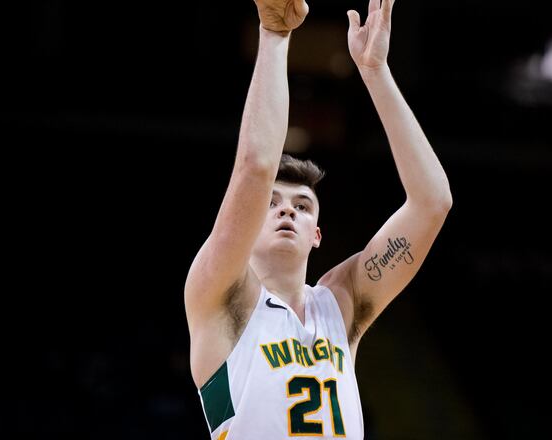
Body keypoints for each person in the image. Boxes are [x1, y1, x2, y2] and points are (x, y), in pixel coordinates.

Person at [184, 1, 452, 438]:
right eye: (271, 203)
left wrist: (376, 73)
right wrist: (273, 37)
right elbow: (255, 165)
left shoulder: (340, 305)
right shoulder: (220, 297)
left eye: (303, 206)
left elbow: (433, 202)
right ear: (248, 223)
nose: (288, 209)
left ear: (317, 235)